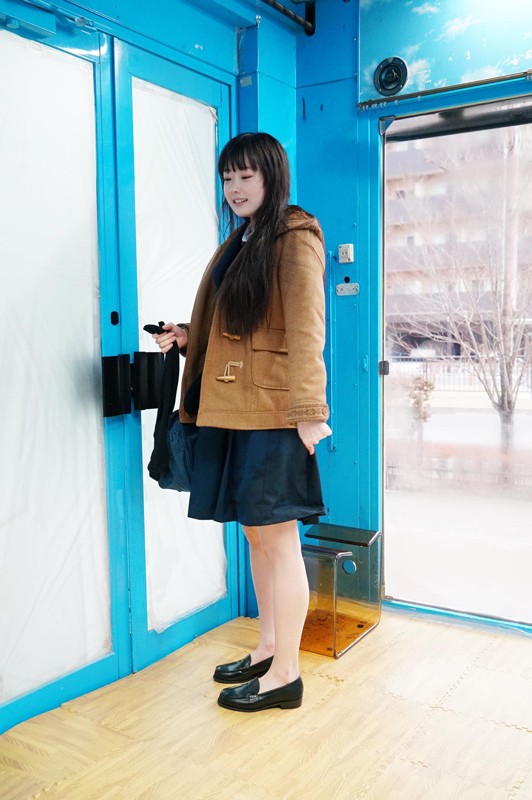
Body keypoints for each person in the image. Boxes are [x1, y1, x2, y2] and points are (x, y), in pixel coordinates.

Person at [153, 132, 331, 712]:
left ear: (271, 176)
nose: (234, 188)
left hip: (274, 414)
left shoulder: (294, 236)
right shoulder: (245, 237)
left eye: (245, 176)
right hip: (235, 410)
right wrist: (187, 336)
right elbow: (240, 326)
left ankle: (287, 676)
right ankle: (269, 647)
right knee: (255, 534)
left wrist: (310, 412)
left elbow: (306, 328)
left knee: (279, 541)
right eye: (227, 178)